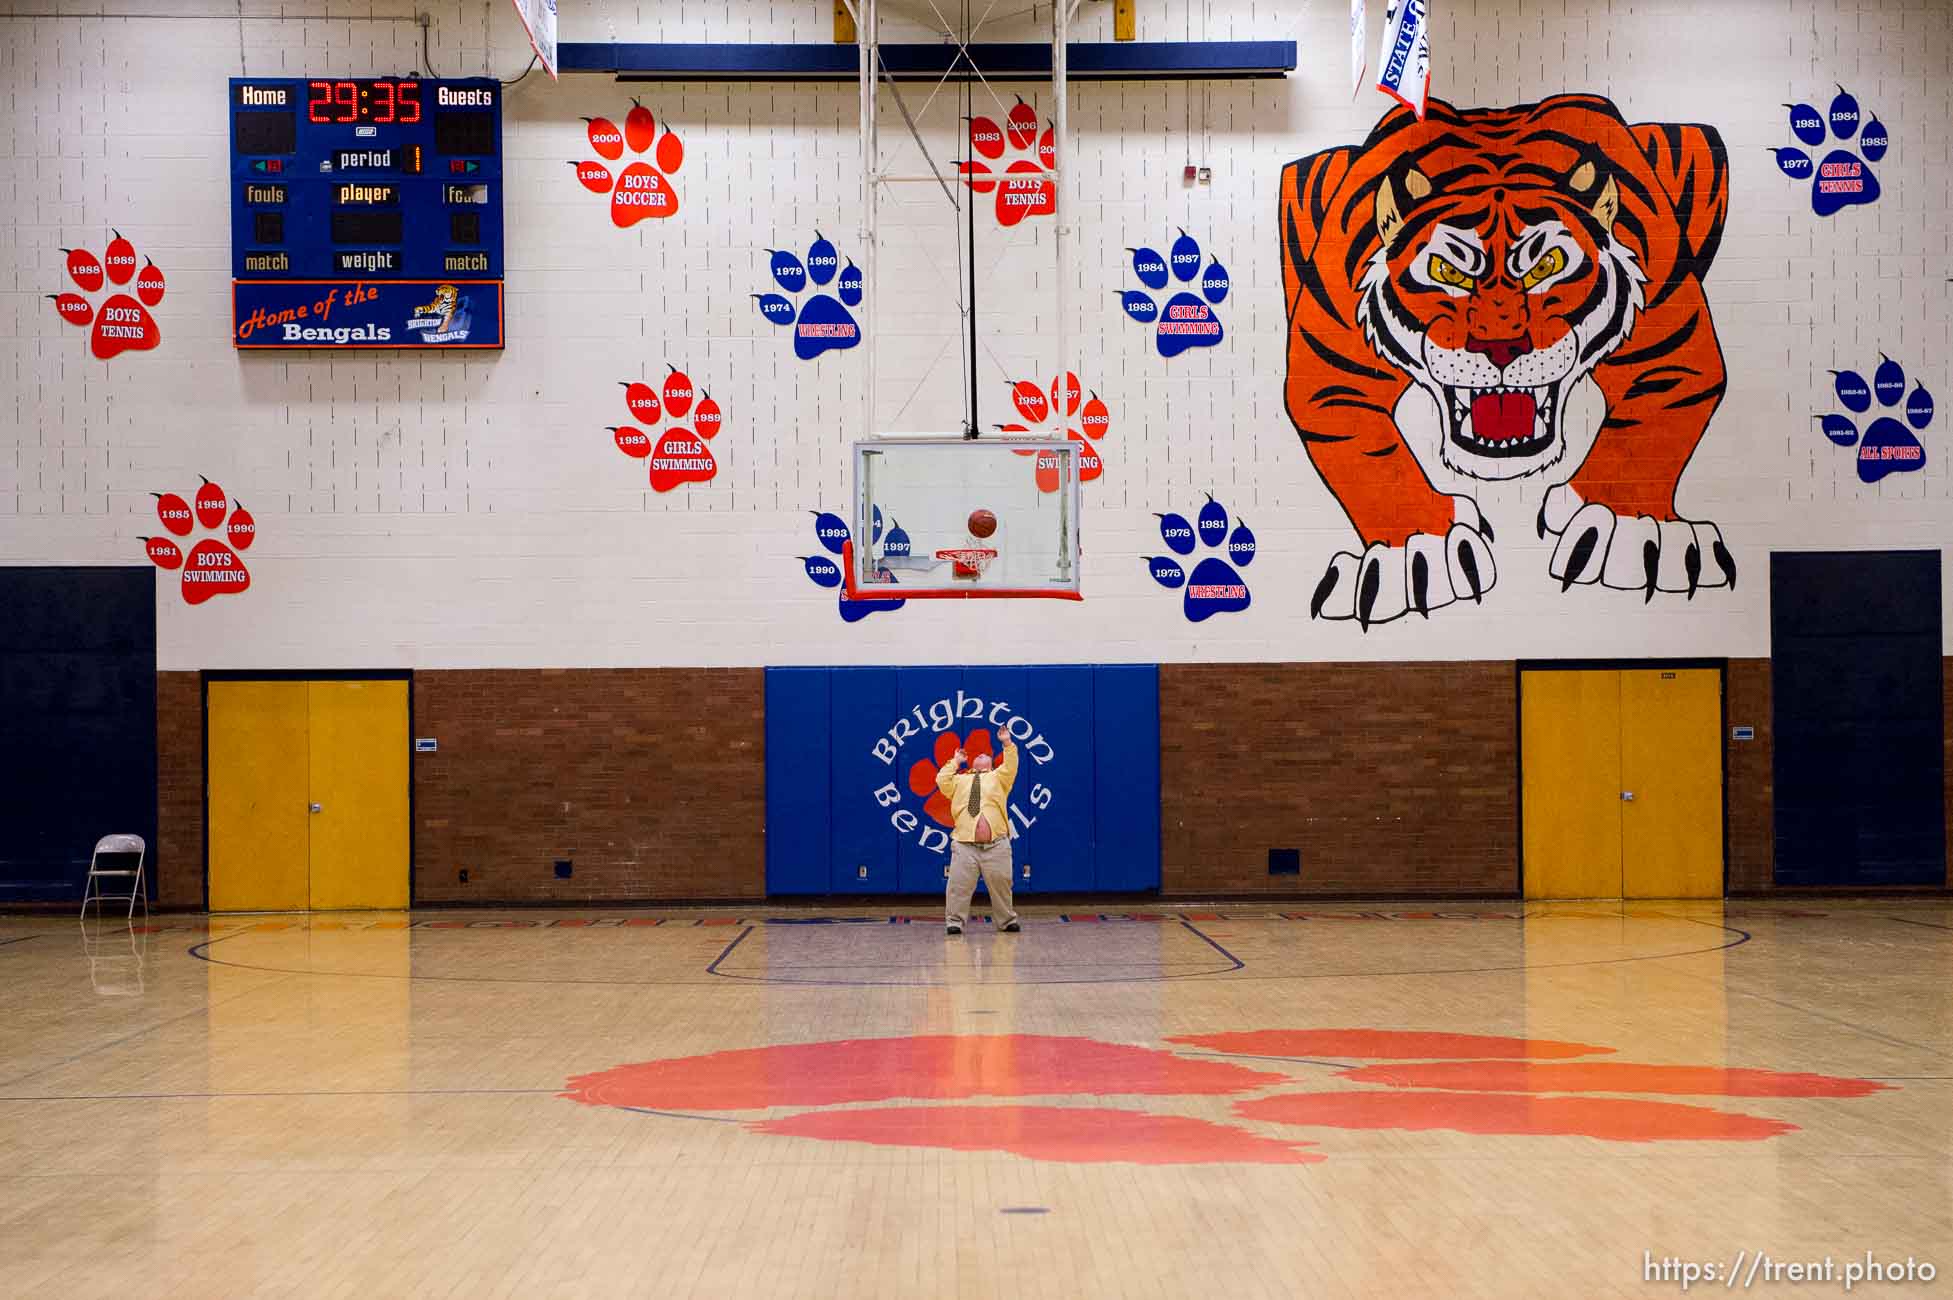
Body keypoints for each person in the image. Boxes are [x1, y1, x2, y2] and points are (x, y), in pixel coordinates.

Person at [935, 737, 1021, 935]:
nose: (981, 754)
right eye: (978, 754)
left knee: (1002, 883)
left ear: (991, 763)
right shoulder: (959, 780)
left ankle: (1007, 921)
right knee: (958, 885)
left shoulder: (999, 777)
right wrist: (956, 761)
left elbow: (1011, 764)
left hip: (996, 844)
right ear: (972, 762)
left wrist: (1007, 743)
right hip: (965, 844)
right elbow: (941, 780)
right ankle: (954, 922)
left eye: (986, 754)